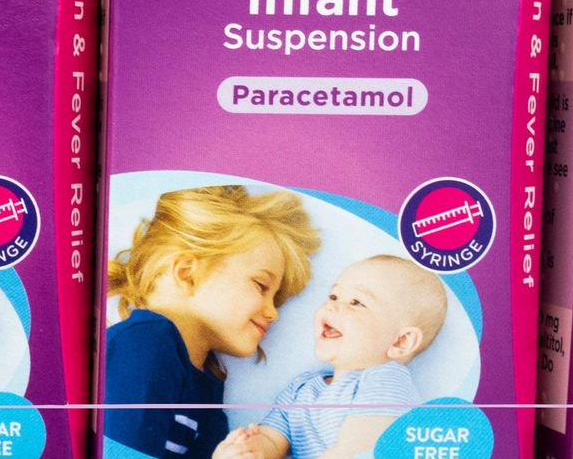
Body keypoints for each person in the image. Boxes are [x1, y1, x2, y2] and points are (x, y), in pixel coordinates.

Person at [105, 185, 321, 459]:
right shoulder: (144, 342)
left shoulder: (207, 381)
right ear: (187, 273)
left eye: (276, 300)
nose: (273, 313)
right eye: (261, 286)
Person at [214, 255, 447, 459]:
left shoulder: (386, 378)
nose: (331, 307)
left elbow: (359, 446)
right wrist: (252, 448)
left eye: (356, 302)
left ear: (401, 342)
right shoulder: (301, 389)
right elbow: (274, 439)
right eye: (334, 296)